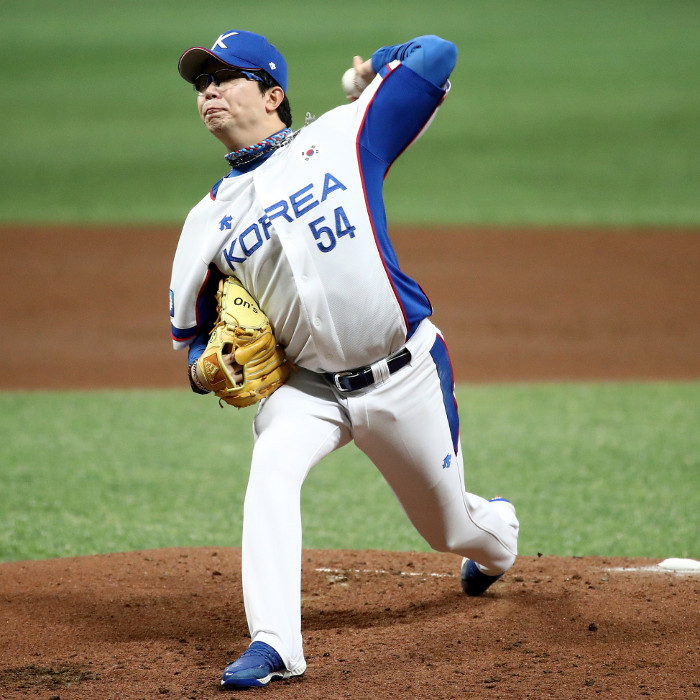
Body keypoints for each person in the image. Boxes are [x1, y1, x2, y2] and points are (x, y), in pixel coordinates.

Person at [169, 29, 519, 690]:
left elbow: (437, 55)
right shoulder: (205, 222)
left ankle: (499, 536)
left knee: (451, 528)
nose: (209, 91)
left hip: (404, 373)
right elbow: (192, 335)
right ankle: (275, 643)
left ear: (272, 95)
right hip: (308, 391)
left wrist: (371, 77)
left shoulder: (342, 135)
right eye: (201, 83)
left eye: (225, 77)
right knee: (271, 467)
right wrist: (203, 369)